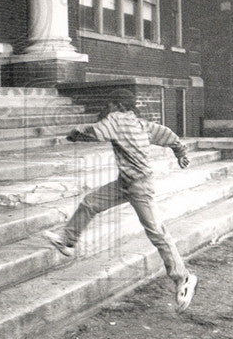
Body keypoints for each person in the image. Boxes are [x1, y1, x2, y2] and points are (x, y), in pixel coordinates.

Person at [44, 88, 198, 312]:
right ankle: (68, 241)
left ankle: (183, 278)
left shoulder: (116, 119)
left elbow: (97, 131)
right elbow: (167, 134)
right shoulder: (140, 124)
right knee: (91, 202)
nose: (108, 109)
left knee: (157, 232)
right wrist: (181, 153)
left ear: (117, 105)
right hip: (127, 183)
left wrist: (75, 132)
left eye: (110, 105)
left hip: (139, 187)